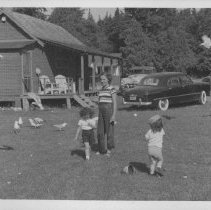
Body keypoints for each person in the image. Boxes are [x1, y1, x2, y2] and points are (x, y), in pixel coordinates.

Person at [97, 72, 117, 156]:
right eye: (101, 79)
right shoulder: (100, 89)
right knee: (100, 132)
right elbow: (100, 101)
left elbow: (115, 103)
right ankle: (102, 149)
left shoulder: (112, 89)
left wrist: (113, 115)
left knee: (109, 131)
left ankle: (109, 149)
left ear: (108, 79)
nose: (102, 81)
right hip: (101, 111)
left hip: (108, 110)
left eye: (104, 79)